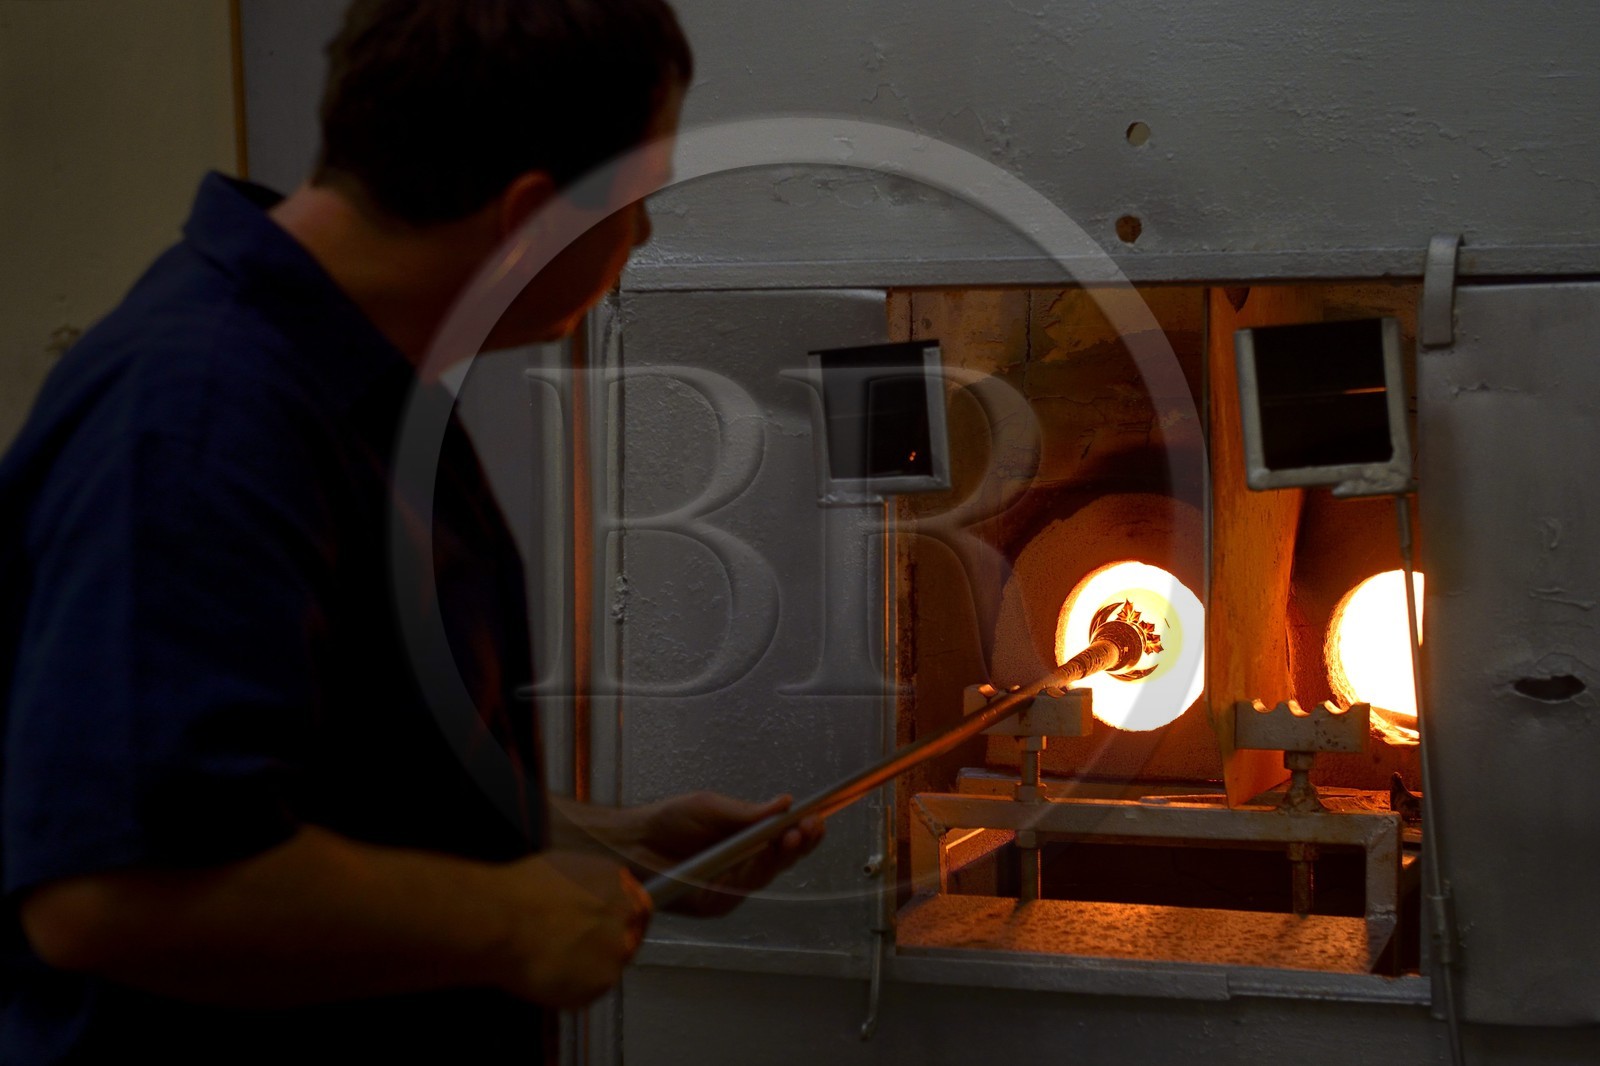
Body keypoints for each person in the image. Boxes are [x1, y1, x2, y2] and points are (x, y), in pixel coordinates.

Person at [0, 1, 820, 1060]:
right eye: (636, 204)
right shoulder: (203, 414)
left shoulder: (358, 385)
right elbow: (115, 888)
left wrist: (595, 837)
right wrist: (508, 920)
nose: (644, 237)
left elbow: (321, 789)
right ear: (532, 218)